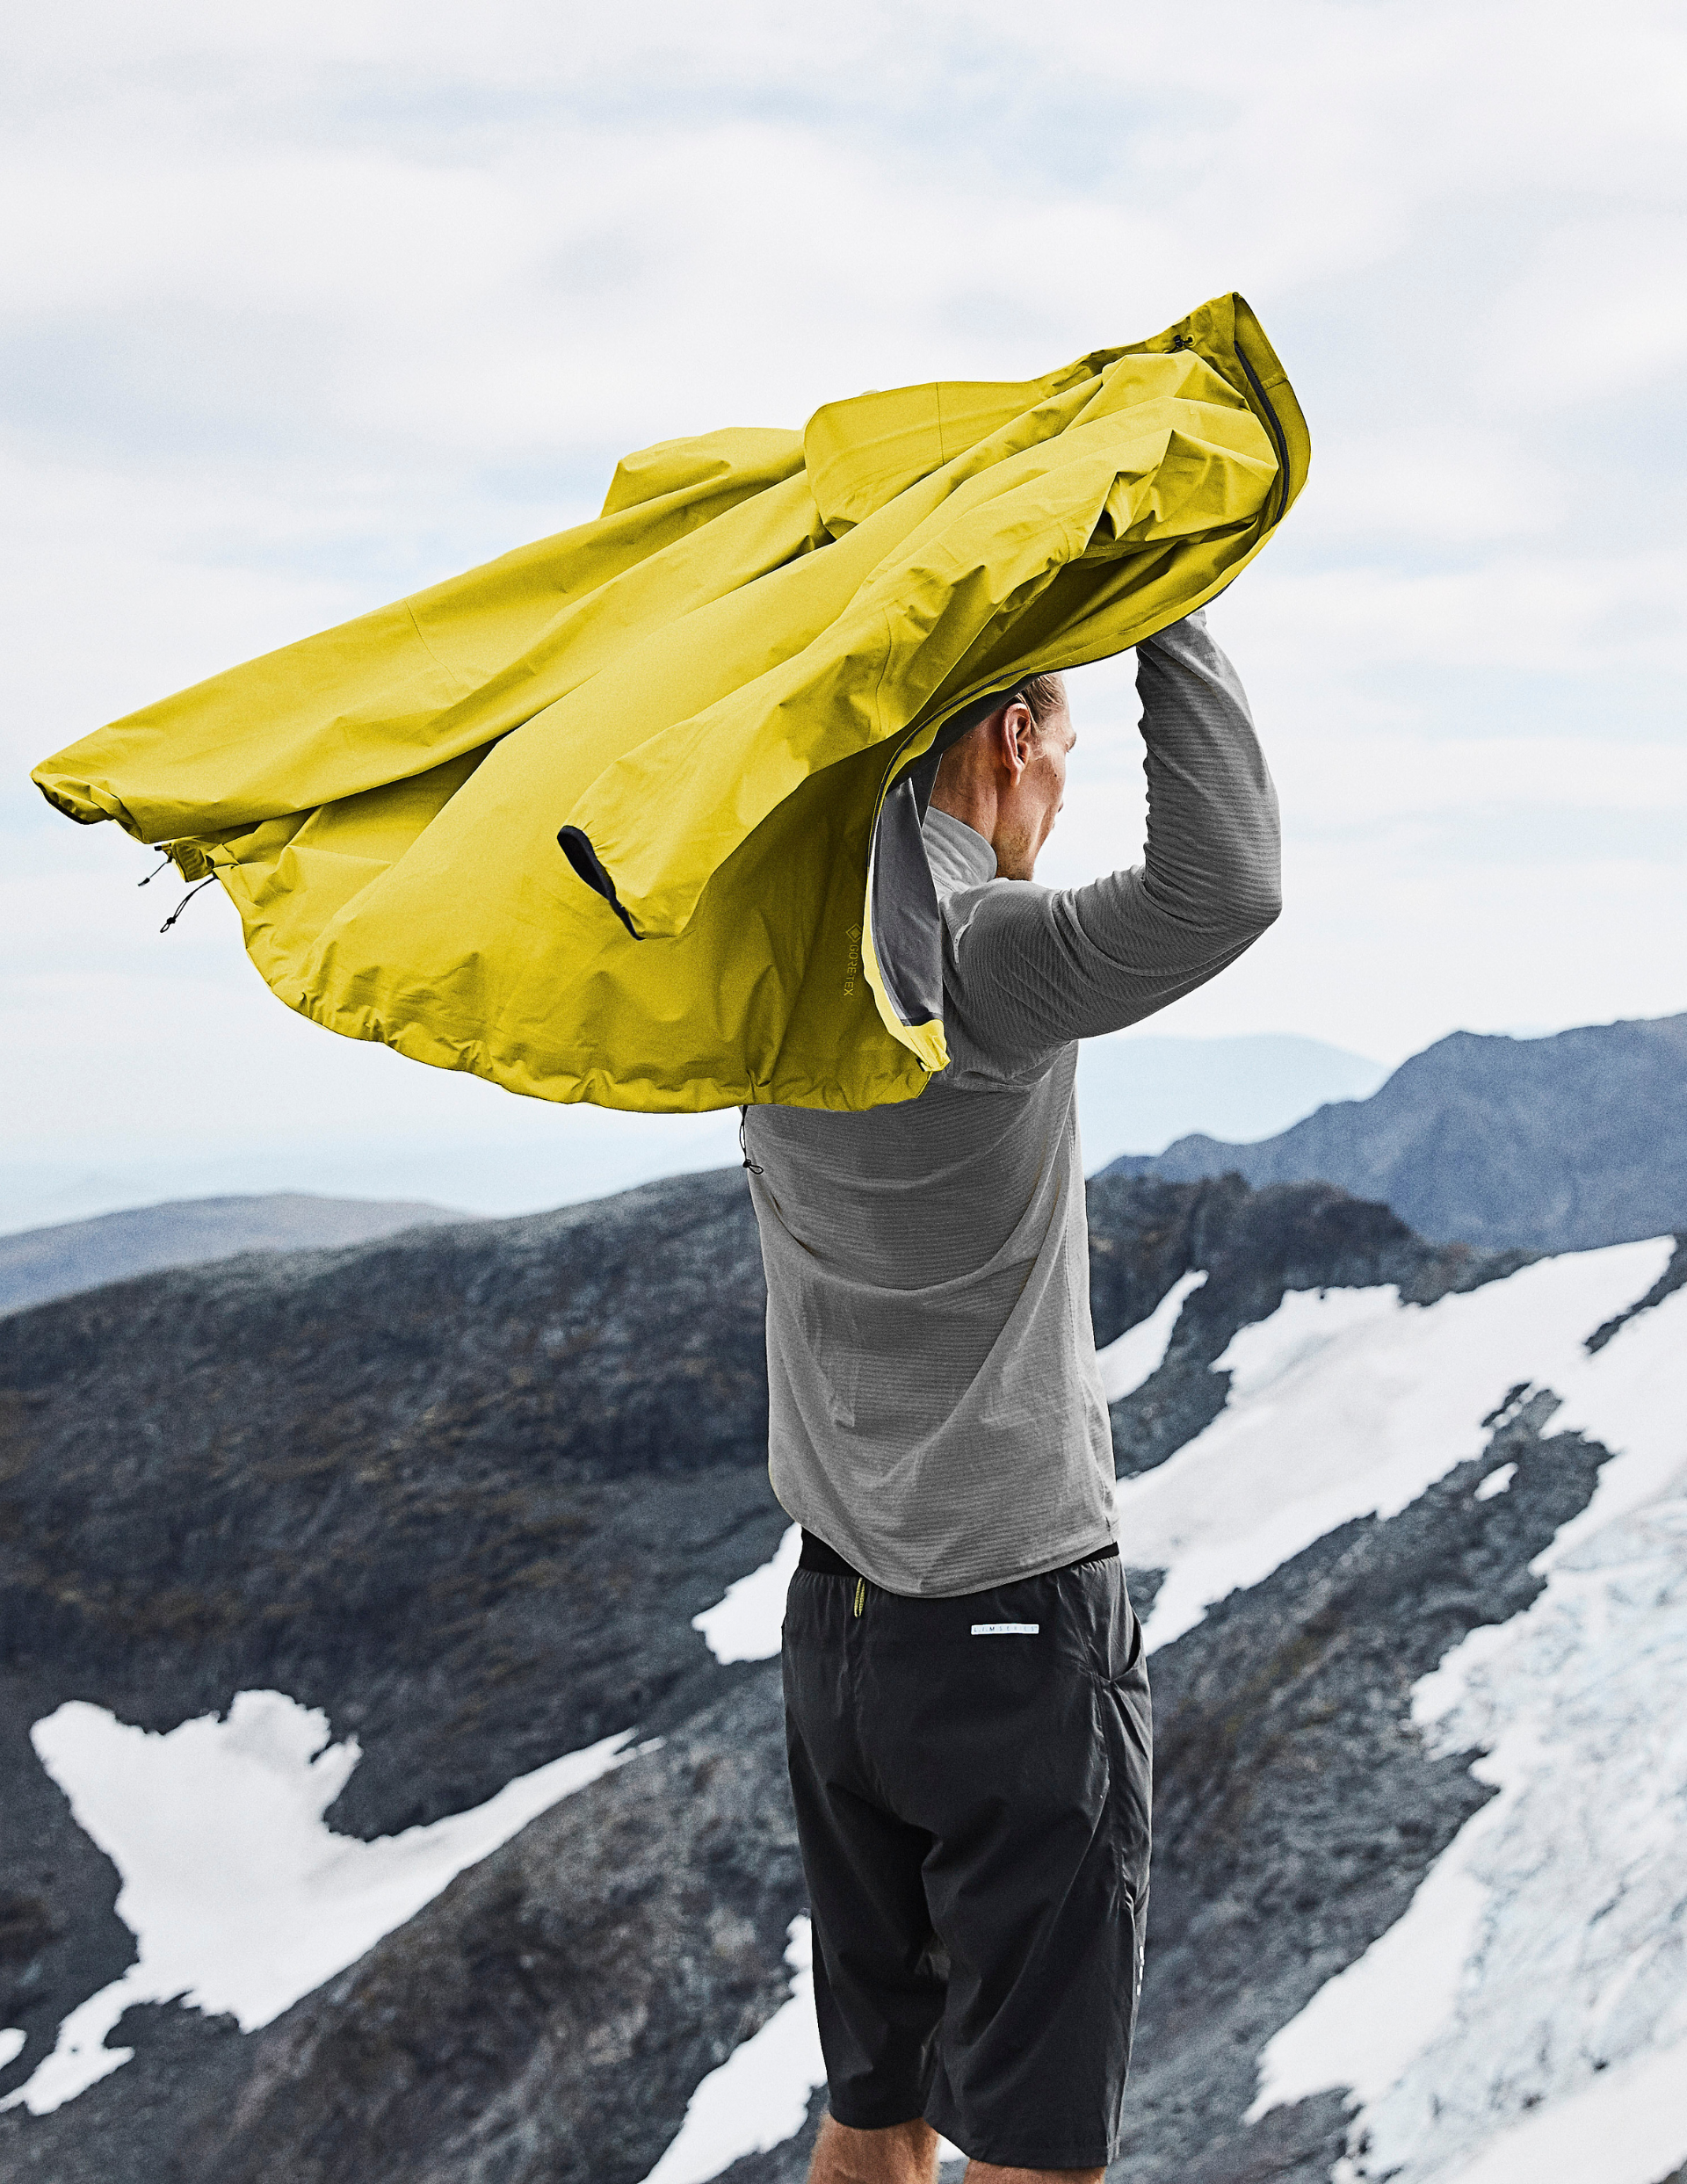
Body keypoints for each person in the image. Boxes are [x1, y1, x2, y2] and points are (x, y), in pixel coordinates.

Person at [741, 611, 1281, 2184]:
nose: (1065, 806)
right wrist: (1164, 607)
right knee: (1036, 2155)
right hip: (1008, 1640)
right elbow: (1226, 884)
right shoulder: (979, 959)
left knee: (874, 2112)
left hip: (836, 1637)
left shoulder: (776, 977)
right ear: (1010, 742)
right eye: (1068, 753)